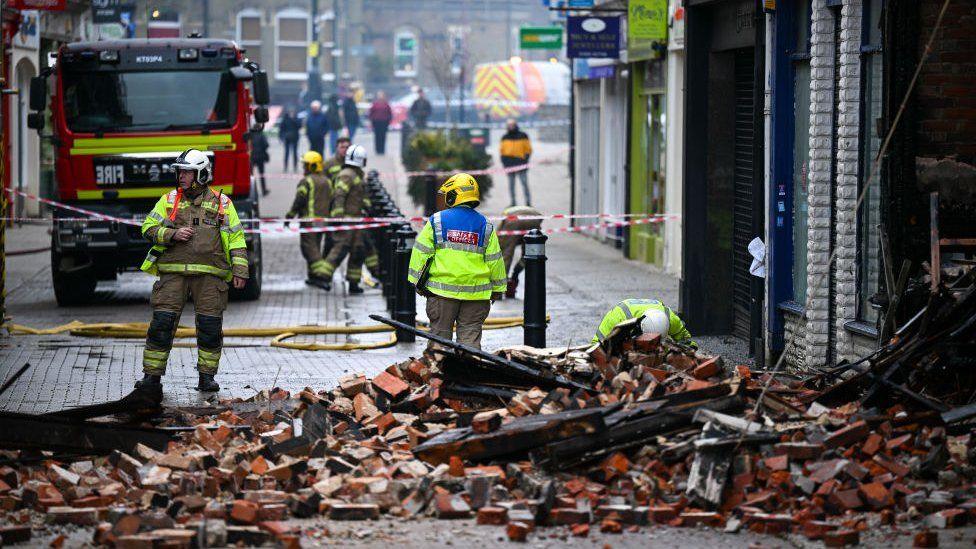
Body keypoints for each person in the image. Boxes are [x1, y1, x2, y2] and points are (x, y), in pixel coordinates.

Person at [136, 149, 248, 393]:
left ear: (203, 174)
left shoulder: (222, 203)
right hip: (172, 275)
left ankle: (206, 378)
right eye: (180, 172)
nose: (182, 177)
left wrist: (240, 271)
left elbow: (237, 239)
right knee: (161, 325)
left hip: (210, 278)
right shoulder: (168, 200)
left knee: (210, 327)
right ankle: (151, 378)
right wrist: (172, 234)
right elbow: (147, 228)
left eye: (187, 172)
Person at [408, 173, 507, 350]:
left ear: (454, 195)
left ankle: (439, 377)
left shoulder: (437, 220)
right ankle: (467, 376)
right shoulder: (486, 225)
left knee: (439, 343)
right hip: (476, 296)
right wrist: (498, 290)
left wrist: (417, 283)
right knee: (470, 344)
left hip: (441, 293)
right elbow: (495, 261)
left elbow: (420, 252)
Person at [318, 144, 369, 293]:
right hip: (347, 220)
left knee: (357, 251)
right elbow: (339, 194)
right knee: (339, 250)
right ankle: (323, 277)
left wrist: (366, 207)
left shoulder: (356, 174)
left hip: (356, 220)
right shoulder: (347, 174)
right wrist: (338, 216)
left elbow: (359, 195)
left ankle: (353, 283)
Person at [286, 151, 334, 289]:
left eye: (306, 165)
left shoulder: (306, 181)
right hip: (323, 221)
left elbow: (299, 200)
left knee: (309, 249)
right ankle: (312, 276)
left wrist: (290, 216)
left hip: (309, 221)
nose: (304, 168)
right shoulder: (327, 181)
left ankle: (321, 274)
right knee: (316, 247)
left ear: (312, 166)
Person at [592, 299, 695, 347]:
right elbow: (596, 345)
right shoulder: (617, 317)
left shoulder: (670, 319)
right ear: (640, 328)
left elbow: (685, 340)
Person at [497, 205, 543, 298]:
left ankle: (499, 289)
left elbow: (500, 240)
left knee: (506, 254)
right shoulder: (530, 211)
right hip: (535, 219)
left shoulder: (505, 216)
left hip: (513, 221)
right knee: (530, 253)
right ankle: (516, 274)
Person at [499, 119, 533, 207]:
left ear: (515, 125)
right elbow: (502, 151)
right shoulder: (504, 137)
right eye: (509, 125)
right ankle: (513, 202)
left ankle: (528, 202)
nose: (510, 127)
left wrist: (525, 160)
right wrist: (504, 162)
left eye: (512, 125)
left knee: (524, 183)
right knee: (511, 185)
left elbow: (528, 149)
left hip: (521, 163)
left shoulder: (523, 135)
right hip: (509, 164)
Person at [277, 106, 301, 173]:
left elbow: (299, 126)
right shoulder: (285, 119)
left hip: (295, 138)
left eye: (292, 111)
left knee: (295, 153)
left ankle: (295, 166)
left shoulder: (296, 118)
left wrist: (293, 119)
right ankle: (285, 166)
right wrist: (281, 137)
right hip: (287, 138)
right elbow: (281, 128)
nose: (291, 113)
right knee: (286, 153)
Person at [250, 130, 270, 196]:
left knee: (251, 176)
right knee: (262, 175)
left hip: (252, 157)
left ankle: (252, 191)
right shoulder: (261, 135)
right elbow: (266, 145)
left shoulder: (250, 135)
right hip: (260, 157)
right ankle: (264, 190)